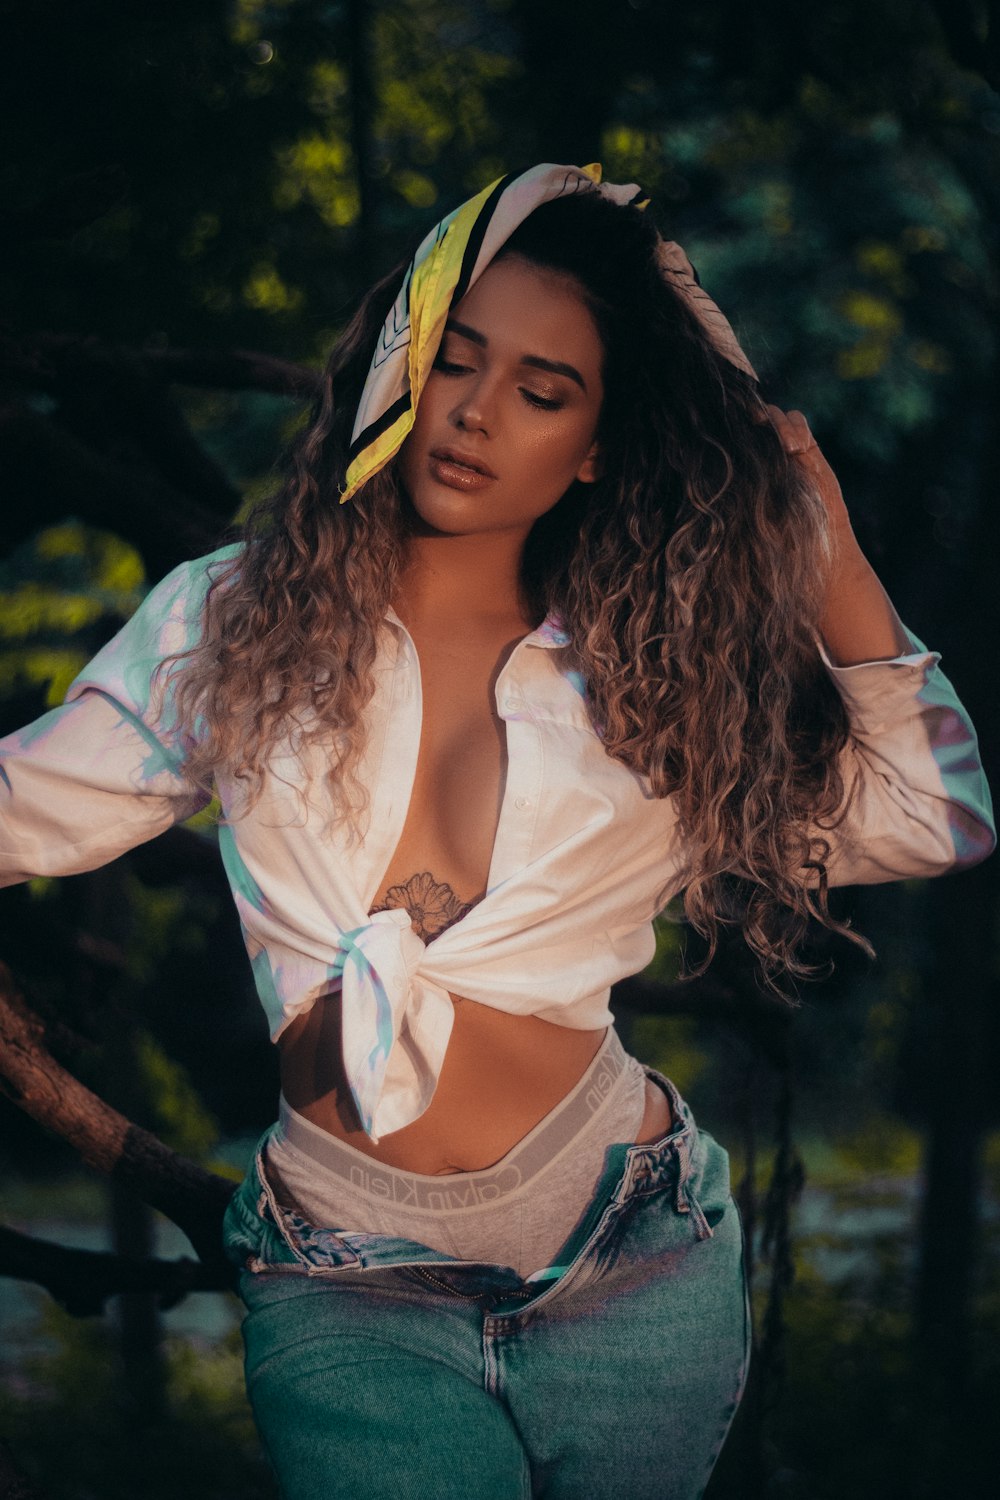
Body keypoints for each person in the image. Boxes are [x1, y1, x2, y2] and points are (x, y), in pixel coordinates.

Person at [0, 162, 994, 1499]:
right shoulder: (230, 621)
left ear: (596, 445)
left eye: (543, 390)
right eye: (455, 361)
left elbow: (933, 815)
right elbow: (26, 811)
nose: (475, 414)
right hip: (344, 1281)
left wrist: (833, 555)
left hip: (631, 1256)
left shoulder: (656, 676)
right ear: (405, 368)